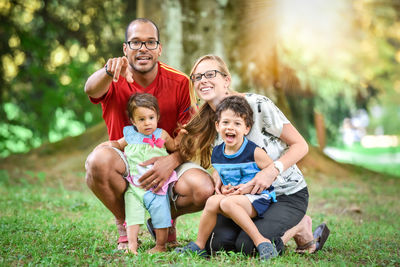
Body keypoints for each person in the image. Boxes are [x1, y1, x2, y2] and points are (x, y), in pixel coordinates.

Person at [179, 55, 330, 256]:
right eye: (197, 77)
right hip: (244, 198)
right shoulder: (212, 121)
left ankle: (301, 225)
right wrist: (220, 178)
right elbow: (226, 158)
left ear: (226, 80)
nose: (202, 80)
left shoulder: (257, 104)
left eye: (209, 74)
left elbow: (301, 145)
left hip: (283, 194)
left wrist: (271, 171)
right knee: (217, 244)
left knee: (249, 248)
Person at [84, 18, 214, 250]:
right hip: (125, 161)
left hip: (167, 159)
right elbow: (90, 90)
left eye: (150, 42)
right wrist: (106, 70)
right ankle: (125, 223)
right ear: (125, 49)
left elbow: (191, 135)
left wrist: (171, 160)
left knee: (204, 189)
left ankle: (162, 219)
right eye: (135, 43)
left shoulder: (180, 82)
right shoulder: (111, 79)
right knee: (97, 161)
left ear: (159, 48)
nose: (143, 49)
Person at [177, 96, 279, 260]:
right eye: (225, 123)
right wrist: (224, 187)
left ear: (246, 128)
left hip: (257, 198)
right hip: (234, 197)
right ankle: (199, 245)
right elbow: (222, 175)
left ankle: (261, 241)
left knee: (225, 202)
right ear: (217, 126)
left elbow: (271, 172)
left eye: (237, 124)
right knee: (212, 201)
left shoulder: (254, 152)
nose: (230, 127)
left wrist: (250, 186)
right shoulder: (217, 153)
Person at [102, 93, 184, 254]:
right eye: (141, 119)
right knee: (132, 216)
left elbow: (174, 147)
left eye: (151, 117)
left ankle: (160, 246)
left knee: (162, 216)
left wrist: (182, 136)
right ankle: (132, 245)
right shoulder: (130, 136)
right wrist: (104, 145)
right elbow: (117, 144)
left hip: (157, 187)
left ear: (157, 117)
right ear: (133, 121)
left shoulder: (162, 135)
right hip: (135, 187)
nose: (147, 123)